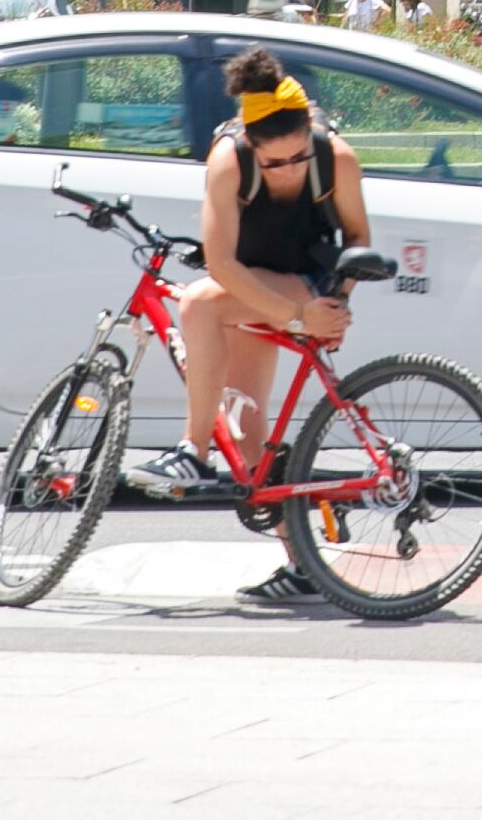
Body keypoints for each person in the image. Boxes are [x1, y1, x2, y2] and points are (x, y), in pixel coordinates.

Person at [122, 48, 373, 602]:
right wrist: (292, 316)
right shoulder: (228, 161)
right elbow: (223, 263)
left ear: (312, 133)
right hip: (252, 290)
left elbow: (357, 239)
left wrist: (330, 305)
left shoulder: (337, 159)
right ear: (250, 144)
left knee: (196, 304)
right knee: (249, 439)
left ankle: (191, 452)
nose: (288, 170)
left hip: (301, 283)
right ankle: (305, 565)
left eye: (298, 157)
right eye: (275, 162)